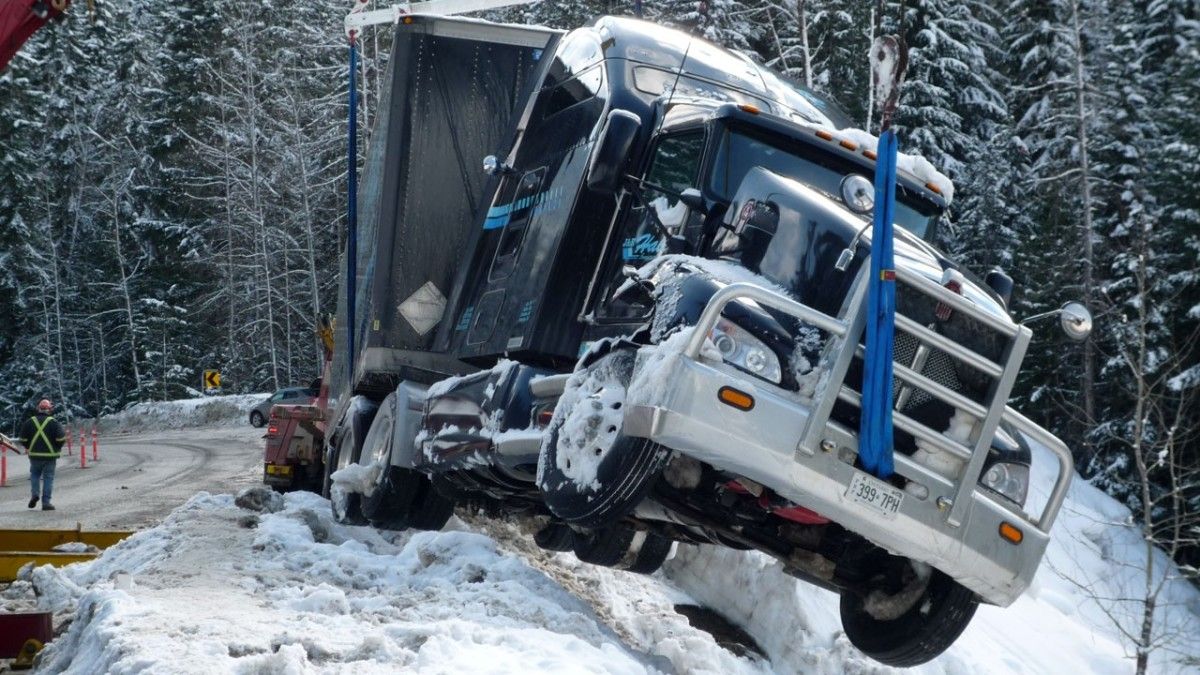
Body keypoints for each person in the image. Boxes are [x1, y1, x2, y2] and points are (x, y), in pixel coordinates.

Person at [19, 399, 66, 511]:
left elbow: (22, 439)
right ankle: (46, 503)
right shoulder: (54, 422)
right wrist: (57, 447)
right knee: (48, 478)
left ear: (38, 408)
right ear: (49, 409)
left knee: (35, 475)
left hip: (34, 456)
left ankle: (35, 494)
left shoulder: (29, 422)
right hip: (50, 457)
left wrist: (28, 446)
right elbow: (61, 438)